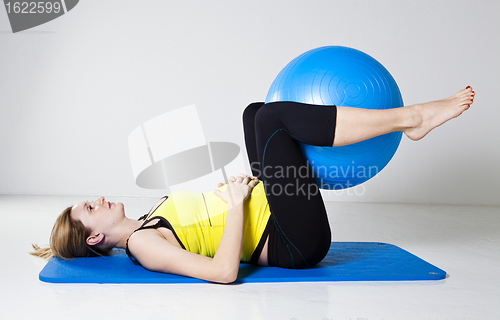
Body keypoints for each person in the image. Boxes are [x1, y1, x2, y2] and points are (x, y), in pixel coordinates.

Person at [31, 87, 476, 283]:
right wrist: (238, 201)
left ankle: (398, 123)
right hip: (292, 241)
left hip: (271, 206)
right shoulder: (144, 245)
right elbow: (223, 273)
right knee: (272, 118)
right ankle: (412, 119)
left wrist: (238, 192)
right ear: (94, 236)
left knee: (254, 112)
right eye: (91, 208)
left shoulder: (149, 217)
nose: (100, 199)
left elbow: (204, 223)